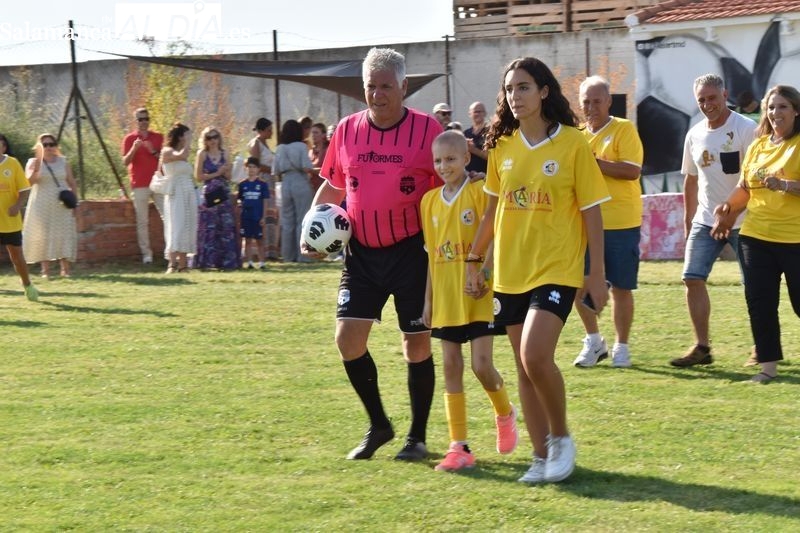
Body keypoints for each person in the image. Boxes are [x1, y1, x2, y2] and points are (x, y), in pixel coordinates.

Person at [465, 57, 609, 483]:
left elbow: (593, 214)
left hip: (557, 268)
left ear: (544, 91)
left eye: (524, 87)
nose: (516, 97)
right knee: (524, 366)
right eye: (510, 89)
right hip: (509, 271)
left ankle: (562, 439)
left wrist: (596, 274)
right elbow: (492, 211)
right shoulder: (502, 147)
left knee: (535, 355)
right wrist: (475, 260)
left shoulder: (573, 144)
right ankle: (540, 454)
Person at [303, 47, 443, 461]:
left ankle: (416, 438)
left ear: (403, 86)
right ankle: (378, 425)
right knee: (347, 340)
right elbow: (333, 187)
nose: (378, 94)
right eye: (370, 86)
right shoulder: (346, 130)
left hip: (412, 252)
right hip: (361, 253)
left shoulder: (427, 130)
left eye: (386, 86)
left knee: (415, 344)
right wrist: (311, 229)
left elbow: (448, 187)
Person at [420, 130, 517, 472]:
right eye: (437, 160)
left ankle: (504, 412)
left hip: (478, 294)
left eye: (450, 159)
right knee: (450, 366)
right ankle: (458, 446)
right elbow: (432, 255)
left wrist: (485, 275)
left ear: (465, 159)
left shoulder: (478, 192)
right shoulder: (428, 202)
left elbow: (493, 236)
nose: (443, 166)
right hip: (446, 297)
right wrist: (428, 300)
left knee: (480, 365)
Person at [711, 84, 800, 383]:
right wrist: (727, 207)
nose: (776, 113)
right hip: (756, 236)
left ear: (796, 110)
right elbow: (745, 188)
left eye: (783, 107)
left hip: (795, 239)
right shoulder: (759, 146)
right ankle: (768, 368)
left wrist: (786, 185)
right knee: (760, 303)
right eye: (771, 108)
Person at [670, 74, 757, 367]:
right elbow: (691, 181)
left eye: (712, 98)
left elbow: (752, 180)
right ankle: (702, 348)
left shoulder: (747, 129)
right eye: (702, 100)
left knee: (755, 286)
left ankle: (762, 346)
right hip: (705, 220)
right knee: (691, 278)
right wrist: (688, 221)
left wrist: (730, 215)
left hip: (747, 220)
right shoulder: (694, 135)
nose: (708, 104)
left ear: (725, 94)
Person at [571, 75, 644, 369]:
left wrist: (595, 163)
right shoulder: (575, 135)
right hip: (582, 224)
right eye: (586, 102)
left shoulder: (624, 129)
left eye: (597, 101)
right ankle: (594, 341)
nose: (591, 107)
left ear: (609, 102)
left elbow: (632, 171)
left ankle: (621, 346)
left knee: (621, 288)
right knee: (577, 285)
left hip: (620, 222)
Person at [23, 134, 78, 278]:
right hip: (41, 203)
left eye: (51, 144)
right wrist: (38, 166)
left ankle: (65, 270)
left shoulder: (63, 162)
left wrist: (74, 203)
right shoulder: (33, 162)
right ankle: (45, 271)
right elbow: (29, 182)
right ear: (39, 147)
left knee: (63, 233)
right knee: (43, 235)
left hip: (62, 203)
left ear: (55, 146)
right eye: (44, 145)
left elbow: (72, 182)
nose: (48, 147)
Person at [121, 107, 164, 264]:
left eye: (146, 118)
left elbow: (166, 160)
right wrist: (134, 148)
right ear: (136, 121)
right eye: (140, 119)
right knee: (142, 220)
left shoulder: (158, 137)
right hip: (139, 184)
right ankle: (147, 255)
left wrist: (153, 151)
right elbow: (125, 162)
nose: (144, 122)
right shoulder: (129, 139)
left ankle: (170, 251)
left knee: (168, 216)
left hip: (158, 182)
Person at [195, 126, 239, 270]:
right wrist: (216, 173)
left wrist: (226, 170)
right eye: (209, 138)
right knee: (209, 227)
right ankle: (207, 262)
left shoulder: (225, 153)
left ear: (219, 138)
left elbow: (229, 177)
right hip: (209, 194)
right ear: (205, 140)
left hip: (223, 192)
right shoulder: (202, 154)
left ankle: (227, 261)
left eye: (215, 137)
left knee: (225, 226)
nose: (212, 141)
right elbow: (198, 176)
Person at [0, 133, 38, 301]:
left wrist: (17, 206)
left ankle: (27, 285)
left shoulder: (12, 164)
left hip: (9, 219)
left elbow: (24, 189)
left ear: (4, 147)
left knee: (16, 255)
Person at [273, 119, 314, 263]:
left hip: (285, 183)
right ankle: (303, 256)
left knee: (287, 222)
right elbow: (306, 167)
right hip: (300, 181)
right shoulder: (301, 147)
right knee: (302, 220)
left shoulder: (280, 148)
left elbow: (275, 170)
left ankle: (288, 256)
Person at [161, 123, 197, 273]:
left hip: (187, 191)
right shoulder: (167, 151)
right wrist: (188, 142)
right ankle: (172, 264)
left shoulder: (184, 152)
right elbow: (182, 156)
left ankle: (183, 265)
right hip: (176, 193)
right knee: (176, 226)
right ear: (180, 136)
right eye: (187, 134)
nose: (190, 137)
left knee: (187, 225)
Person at [248, 118, 279, 261]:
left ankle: (270, 251)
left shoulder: (265, 144)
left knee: (270, 216)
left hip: (270, 182)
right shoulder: (256, 144)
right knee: (262, 215)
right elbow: (255, 164)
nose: (271, 132)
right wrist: (273, 170)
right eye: (268, 129)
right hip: (262, 181)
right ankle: (258, 252)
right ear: (260, 131)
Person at [238, 156, 270, 269]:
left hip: (257, 217)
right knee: (247, 240)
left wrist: (264, 217)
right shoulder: (242, 184)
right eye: (249, 167)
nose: (251, 169)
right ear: (245, 169)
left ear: (258, 169)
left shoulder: (262, 184)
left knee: (260, 240)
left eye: (254, 167)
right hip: (246, 217)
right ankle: (250, 262)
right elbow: (240, 200)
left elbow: (265, 201)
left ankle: (262, 263)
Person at [463, 101, 489, 179]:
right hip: (468, 178)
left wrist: (473, 149)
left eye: (479, 112)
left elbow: (493, 158)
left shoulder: (491, 132)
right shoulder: (465, 133)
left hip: (486, 177)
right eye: (475, 112)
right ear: (470, 114)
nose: (477, 114)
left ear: (485, 113)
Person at [308, 122, 329, 192]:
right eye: (312, 133)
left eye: (316, 133)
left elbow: (327, 171)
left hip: (325, 188)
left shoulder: (327, 151)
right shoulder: (311, 151)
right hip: (312, 188)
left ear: (324, 135)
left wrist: (309, 170)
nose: (313, 135)